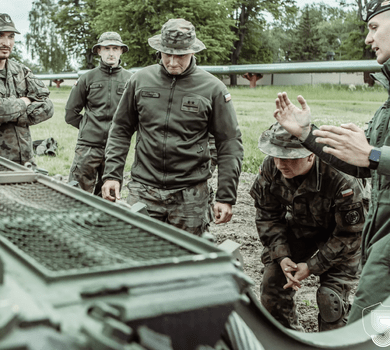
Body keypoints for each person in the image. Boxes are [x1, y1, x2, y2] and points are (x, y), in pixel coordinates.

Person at [273, 0, 390, 325]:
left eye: (374, 27)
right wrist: (307, 134)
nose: (368, 39)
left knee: (366, 331)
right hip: (379, 237)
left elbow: (369, 157)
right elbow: (359, 161)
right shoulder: (387, 106)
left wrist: (374, 155)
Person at [101, 18, 243, 236]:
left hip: (190, 195)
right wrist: (112, 174)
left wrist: (226, 195)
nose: (173, 62)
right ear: (159, 50)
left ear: (193, 52)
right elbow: (120, 129)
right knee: (135, 254)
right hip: (144, 189)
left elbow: (229, 143)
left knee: (188, 260)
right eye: (168, 54)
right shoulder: (140, 81)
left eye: (181, 56)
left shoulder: (213, 88)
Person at [250, 122, 369, 331]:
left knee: (330, 300)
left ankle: (331, 345)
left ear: (310, 155)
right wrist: (282, 256)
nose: (280, 164)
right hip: (301, 228)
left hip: (341, 238)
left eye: (289, 158)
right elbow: (267, 215)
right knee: (272, 286)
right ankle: (288, 342)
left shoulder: (341, 176)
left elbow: (350, 235)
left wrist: (312, 266)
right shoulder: (271, 167)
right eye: (276, 155)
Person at [65, 32, 132, 195]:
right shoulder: (87, 78)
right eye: (107, 48)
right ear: (99, 51)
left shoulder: (131, 80)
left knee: (108, 195)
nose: (111, 53)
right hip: (87, 147)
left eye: (115, 48)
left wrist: (122, 133)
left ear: (121, 51)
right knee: (77, 192)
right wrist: (88, 127)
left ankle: (102, 221)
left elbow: (135, 115)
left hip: (115, 149)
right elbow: (70, 113)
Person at [0, 13, 53, 165]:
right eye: (1, 36)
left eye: (11, 37)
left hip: (26, 161)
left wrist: (13, 115)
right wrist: (25, 103)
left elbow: (47, 105)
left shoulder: (20, 71)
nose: (6, 42)